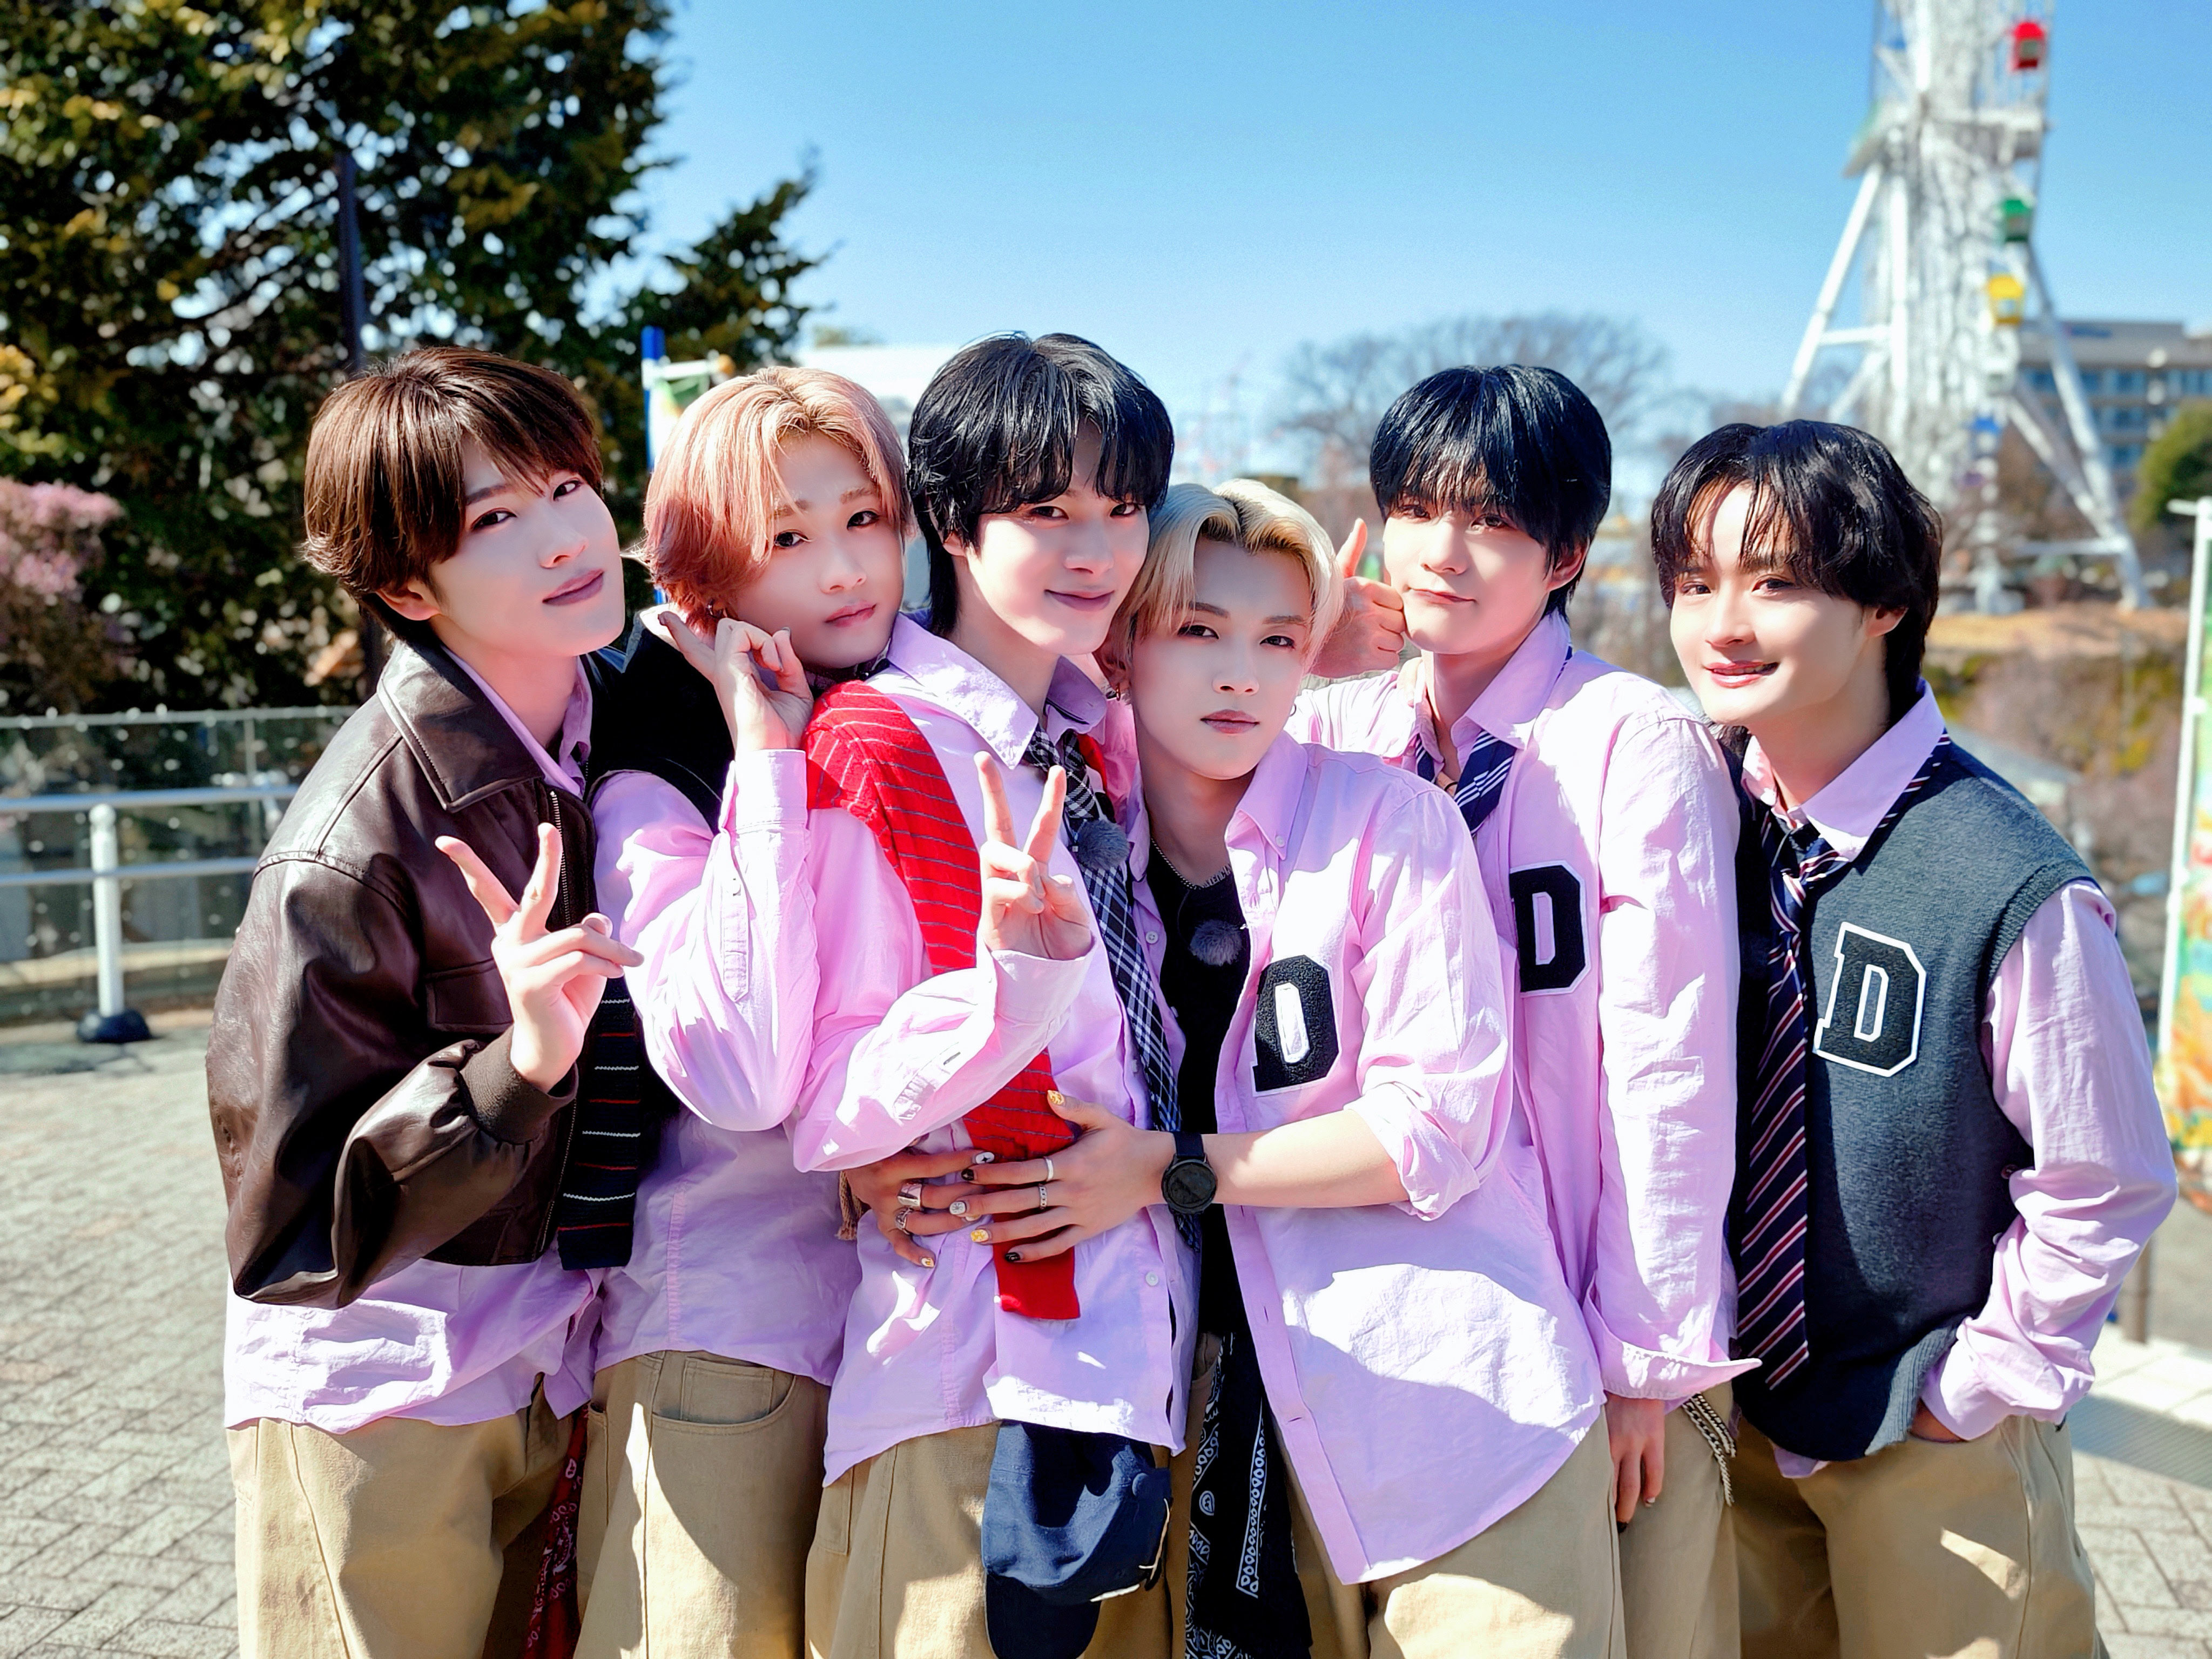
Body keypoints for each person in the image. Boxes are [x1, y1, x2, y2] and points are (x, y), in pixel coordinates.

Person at [899, 477, 1614, 1657]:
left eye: (1280, 640)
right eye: (1199, 631)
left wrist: (1171, 1168)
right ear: (1121, 650)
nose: (1241, 675)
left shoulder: (1390, 823)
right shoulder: (1071, 858)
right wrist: (869, 1172)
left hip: (1455, 1416)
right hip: (1199, 1422)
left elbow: (1435, 1130)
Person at [1655, 419, 2177, 1659]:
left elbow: (2103, 1177)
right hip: (1734, 1416)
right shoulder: (1689, 816)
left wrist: (1973, 1390)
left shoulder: (2005, 877)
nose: (1722, 623)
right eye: (1692, 583)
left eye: (1772, 582)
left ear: (1884, 601)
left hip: (1927, 1433)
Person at [1291, 367, 1747, 1656]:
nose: (1443, 551)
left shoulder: (1630, 740)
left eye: (1490, 520)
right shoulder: (1332, 727)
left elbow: (1667, 1069)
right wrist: (1299, 653)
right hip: (1389, 1330)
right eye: (1415, 510)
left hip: (1586, 1329)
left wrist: (1642, 1362)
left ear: (1564, 555)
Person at [208, 347, 645, 1658]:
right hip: (379, 1393)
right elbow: (289, 1231)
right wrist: (517, 1065)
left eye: (566, 487)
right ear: (407, 585)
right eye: (493, 518)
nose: (564, 538)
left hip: (546, 1354)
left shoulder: (604, 720)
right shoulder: (349, 843)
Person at [792, 332, 1189, 1659]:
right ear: (952, 523)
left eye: (1121, 509)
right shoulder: (879, 745)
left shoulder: (1094, 741)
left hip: (1128, 1365)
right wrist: (1002, 994)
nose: (1096, 550)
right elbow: (824, 1093)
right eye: (1046, 511)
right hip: (962, 1367)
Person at [571, 368, 911, 1657]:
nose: (844, 568)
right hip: (728, 1333)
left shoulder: (900, 712)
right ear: (703, 576)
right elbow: (743, 1073)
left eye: (863, 518)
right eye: (787, 538)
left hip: (897, 1332)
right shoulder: (652, 775)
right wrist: (764, 764)